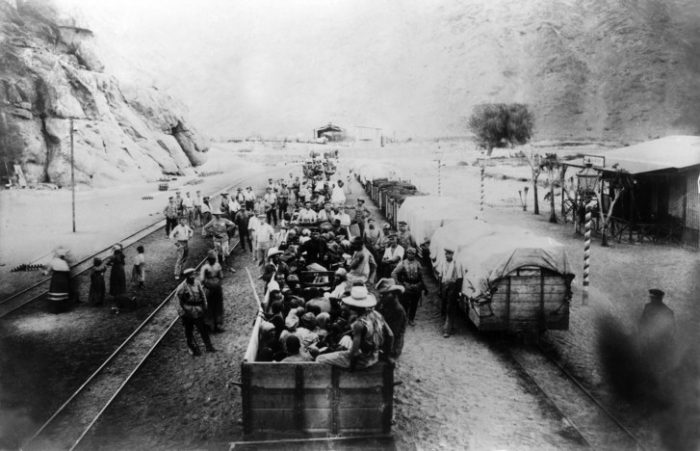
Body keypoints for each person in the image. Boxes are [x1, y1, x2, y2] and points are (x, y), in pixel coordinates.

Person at [316, 285, 394, 369]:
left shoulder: (358, 324)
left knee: (320, 358)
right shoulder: (376, 314)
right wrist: (387, 356)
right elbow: (390, 335)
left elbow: (355, 352)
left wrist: (351, 368)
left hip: (362, 360)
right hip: (374, 356)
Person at [176, 268, 216, 356]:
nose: (193, 277)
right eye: (191, 276)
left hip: (198, 311)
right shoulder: (181, 288)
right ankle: (192, 348)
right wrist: (181, 314)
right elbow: (177, 302)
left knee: (203, 329)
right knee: (189, 332)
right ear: (187, 277)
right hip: (188, 314)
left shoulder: (197, 283)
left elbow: (202, 295)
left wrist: (205, 306)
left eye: (194, 275)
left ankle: (209, 346)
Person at [638, 288, 676, 363]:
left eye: (653, 298)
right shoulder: (647, 307)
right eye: (651, 298)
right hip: (647, 338)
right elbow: (642, 320)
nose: (651, 299)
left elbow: (672, 328)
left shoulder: (667, 311)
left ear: (659, 299)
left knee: (657, 359)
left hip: (660, 341)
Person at [392, 247, 426, 326]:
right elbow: (394, 273)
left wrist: (422, 286)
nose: (411, 255)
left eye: (413, 254)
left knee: (414, 304)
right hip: (406, 285)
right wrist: (398, 283)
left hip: (416, 286)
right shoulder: (402, 263)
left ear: (415, 255)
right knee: (405, 304)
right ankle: (404, 319)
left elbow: (422, 276)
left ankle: (411, 319)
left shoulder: (418, 263)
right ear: (406, 254)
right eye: (409, 253)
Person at [376, 278, 408, 358]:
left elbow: (393, 333)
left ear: (393, 294)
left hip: (393, 345)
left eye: (385, 294)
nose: (382, 296)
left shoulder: (398, 310)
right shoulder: (387, 303)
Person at [436, 247, 464, 338]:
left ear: (452, 255)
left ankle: (446, 330)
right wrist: (440, 289)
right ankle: (449, 325)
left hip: (453, 287)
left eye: (449, 254)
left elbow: (459, 278)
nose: (446, 255)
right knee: (444, 306)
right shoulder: (443, 263)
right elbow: (440, 276)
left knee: (450, 307)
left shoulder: (456, 264)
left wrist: (459, 292)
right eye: (446, 254)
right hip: (444, 287)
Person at [200, 251, 225, 333]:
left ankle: (215, 325)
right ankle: (212, 325)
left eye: (213, 259)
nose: (213, 260)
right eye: (212, 259)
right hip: (212, 289)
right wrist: (215, 282)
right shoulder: (208, 267)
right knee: (212, 307)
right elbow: (202, 280)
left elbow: (202, 280)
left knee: (215, 307)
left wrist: (212, 282)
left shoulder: (209, 267)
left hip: (214, 289)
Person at [44, 247, 71, 313]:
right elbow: (68, 270)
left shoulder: (53, 261)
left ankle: (55, 310)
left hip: (56, 279)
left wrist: (42, 271)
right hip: (64, 279)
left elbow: (46, 273)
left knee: (55, 294)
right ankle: (63, 309)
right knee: (62, 294)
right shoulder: (64, 262)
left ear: (56, 255)